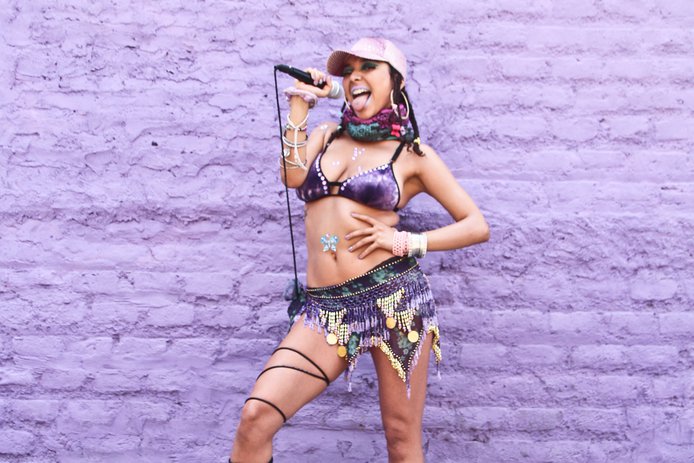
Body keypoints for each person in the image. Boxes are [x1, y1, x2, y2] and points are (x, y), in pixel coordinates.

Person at [230, 37, 489, 463]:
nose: (355, 77)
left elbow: (476, 225)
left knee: (401, 440)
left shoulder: (413, 155)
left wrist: (407, 242)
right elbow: (291, 176)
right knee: (256, 417)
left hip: (396, 303)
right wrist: (300, 103)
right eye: (348, 71)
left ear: (396, 82)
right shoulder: (325, 135)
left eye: (368, 67)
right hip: (326, 310)